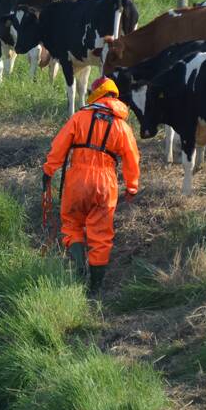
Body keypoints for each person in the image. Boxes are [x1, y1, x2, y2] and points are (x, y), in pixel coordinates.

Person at [42, 76, 140, 294]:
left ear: (95, 94)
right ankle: (94, 289)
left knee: (72, 225)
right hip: (106, 184)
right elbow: (132, 157)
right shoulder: (122, 126)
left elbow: (59, 146)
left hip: (77, 180)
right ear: (114, 96)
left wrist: (48, 171)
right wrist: (132, 186)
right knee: (101, 236)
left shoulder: (79, 117)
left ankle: (79, 269)